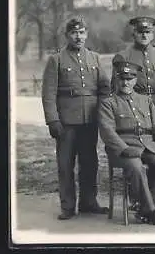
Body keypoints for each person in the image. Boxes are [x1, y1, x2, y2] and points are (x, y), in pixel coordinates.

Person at [41, 16, 111, 220]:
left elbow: (105, 89)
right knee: (65, 165)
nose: (78, 36)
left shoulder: (95, 58)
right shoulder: (57, 60)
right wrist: (52, 120)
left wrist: (104, 114)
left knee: (90, 163)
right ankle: (68, 206)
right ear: (67, 36)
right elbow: (48, 93)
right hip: (66, 122)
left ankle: (89, 202)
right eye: (74, 33)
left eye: (81, 32)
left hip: (90, 120)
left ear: (87, 34)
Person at [98, 60, 155, 225]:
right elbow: (107, 131)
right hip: (123, 148)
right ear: (116, 79)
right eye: (122, 79)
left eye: (130, 79)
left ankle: (145, 208)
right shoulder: (108, 103)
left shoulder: (145, 100)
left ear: (135, 80)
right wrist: (124, 148)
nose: (125, 83)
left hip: (149, 146)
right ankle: (150, 210)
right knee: (136, 167)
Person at [111, 16, 155, 106]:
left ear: (152, 35)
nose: (144, 35)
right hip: (133, 104)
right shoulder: (123, 56)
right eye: (140, 32)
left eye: (148, 32)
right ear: (134, 34)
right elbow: (115, 87)